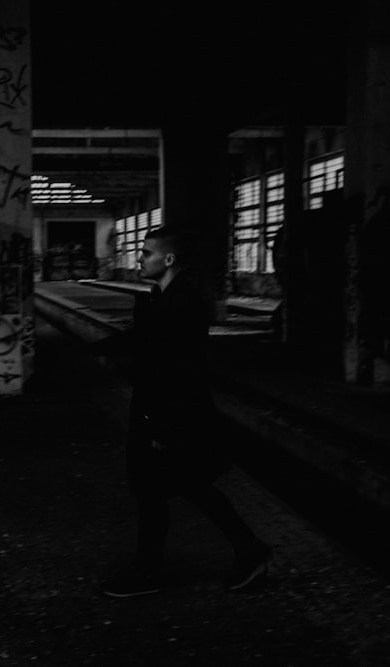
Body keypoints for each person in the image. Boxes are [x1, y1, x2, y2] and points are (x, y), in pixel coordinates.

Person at [98, 225, 273, 598]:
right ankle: (246, 550)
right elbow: (143, 341)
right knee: (176, 488)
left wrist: (162, 428)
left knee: (165, 489)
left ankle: (153, 571)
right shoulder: (161, 296)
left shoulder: (184, 304)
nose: (141, 258)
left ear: (169, 258)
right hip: (159, 412)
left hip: (170, 414)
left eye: (146, 253)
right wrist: (101, 347)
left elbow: (177, 369)